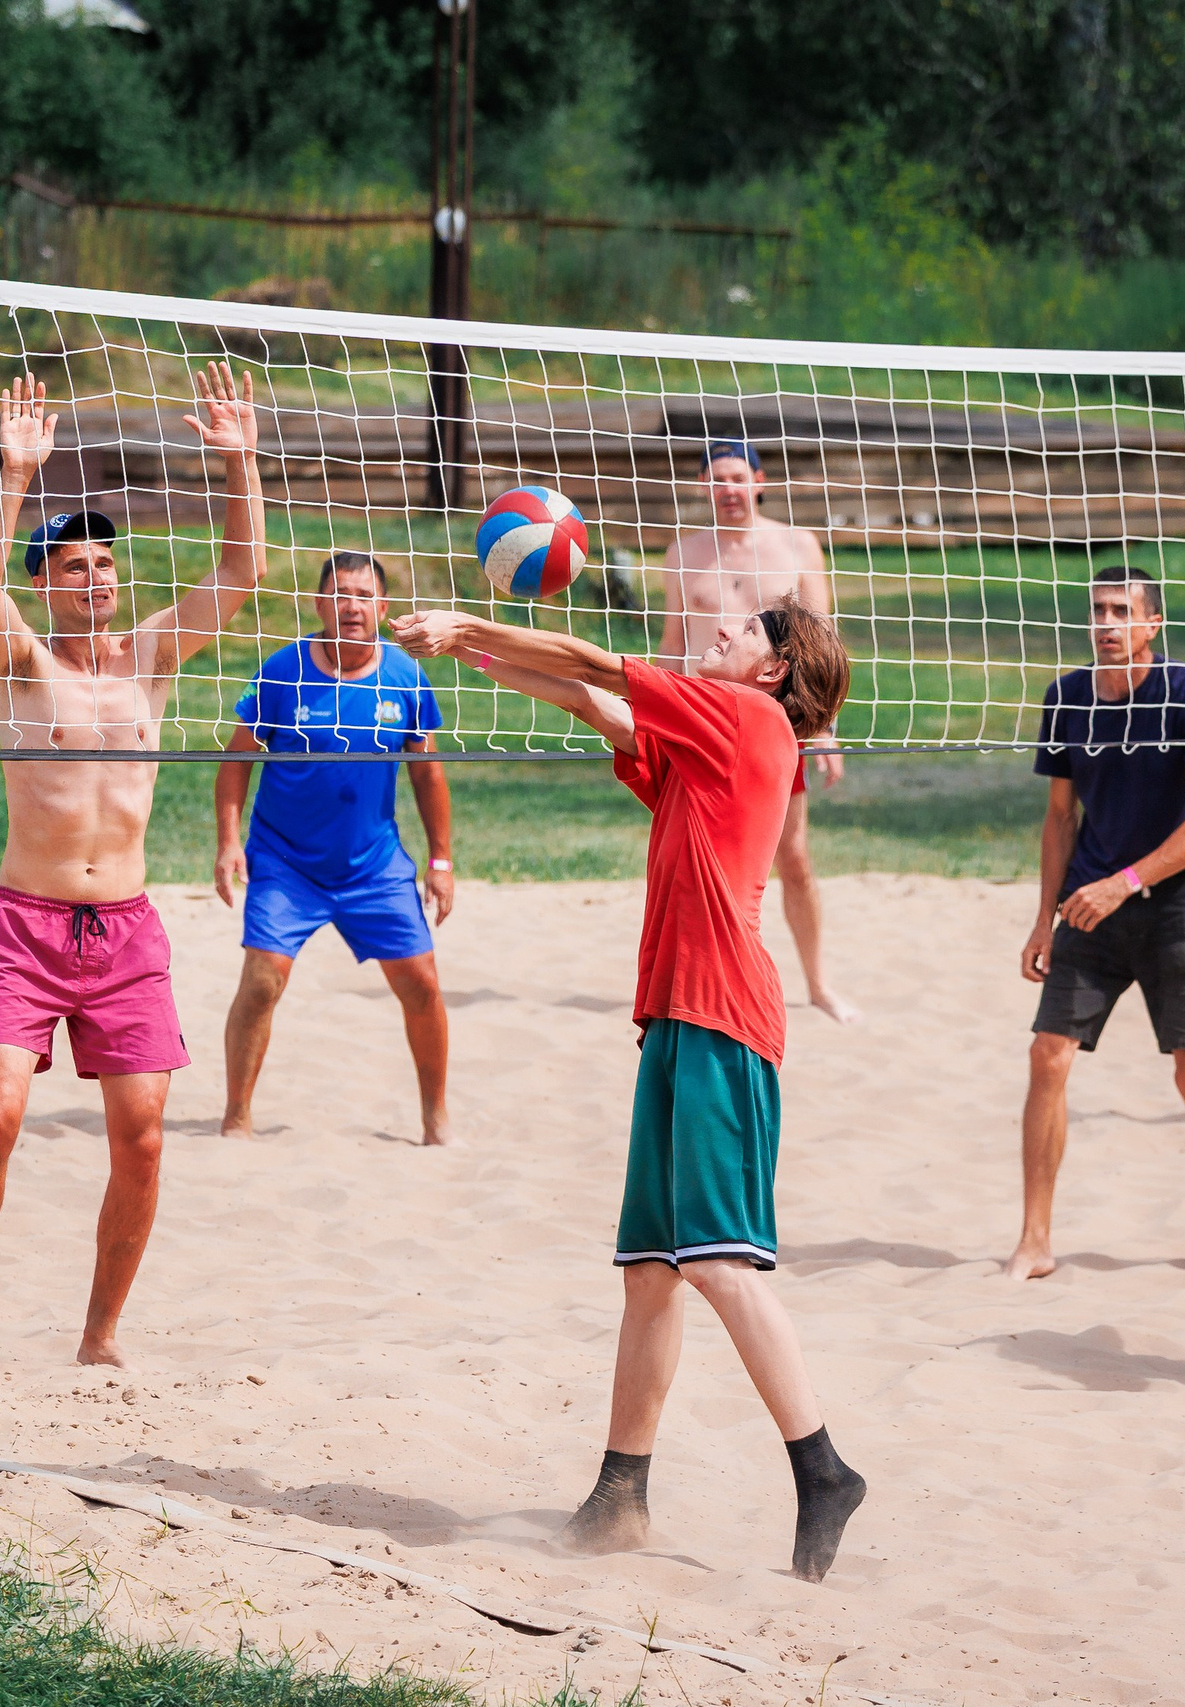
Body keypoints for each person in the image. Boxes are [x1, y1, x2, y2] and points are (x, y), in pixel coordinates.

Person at [390, 593, 870, 1583]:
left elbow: (600, 665)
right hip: (678, 1016)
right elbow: (597, 706)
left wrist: (471, 628)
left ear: (773, 669)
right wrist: (486, 663)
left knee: (720, 1261)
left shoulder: (743, 717)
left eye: (742, 632)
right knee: (653, 1269)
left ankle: (822, 1468)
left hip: (720, 1015)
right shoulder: (712, 740)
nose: (721, 632)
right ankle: (620, 1495)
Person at [0, 366, 270, 1376]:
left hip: (124, 931)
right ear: (49, 584)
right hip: (28, 925)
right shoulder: (25, 663)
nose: (95, 579)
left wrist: (240, 460)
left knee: (144, 1138)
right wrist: (14, 475)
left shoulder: (150, 658)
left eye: (103, 566)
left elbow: (240, 574)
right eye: (74, 567)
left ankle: (99, 1333)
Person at [1010, 564, 1185, 1281]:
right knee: (1047, 1055)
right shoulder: (1069, 695)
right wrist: (1043, 920)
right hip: (1088, 904)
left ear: (1152, 624)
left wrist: (1126, 881)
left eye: (1122, 611)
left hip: (1171, 903)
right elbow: (1059, 818)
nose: (1107, 623)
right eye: (1098, 611)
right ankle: (1034, 1238)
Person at [214, 550, 456, 1146]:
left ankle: (436, 1118)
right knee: (263, 980)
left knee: (422, 985)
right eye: (341, 594)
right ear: (321, 603)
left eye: (364, 595)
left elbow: (427, 775)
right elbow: (237, 760)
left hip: (374, 866)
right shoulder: (283, 669)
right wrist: (228, 841)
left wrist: (441, 860)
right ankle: (236, 1116)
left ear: (383, 607)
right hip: (285, 861)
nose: (352, 606)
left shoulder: (404, 674)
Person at [660, 439, 859, 1024]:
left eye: (736, 477)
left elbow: (823, 647)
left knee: (792, 857)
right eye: (715, 478)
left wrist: (826, 730)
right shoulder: (682, 552)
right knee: (695, 858)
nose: (727, 488)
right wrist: (653, 715)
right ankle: (694, 987)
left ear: (758, 480)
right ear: (703, 487)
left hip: (775, 723)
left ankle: (818, 985)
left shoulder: (795, 545)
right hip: (702, 716)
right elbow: (674, 647)